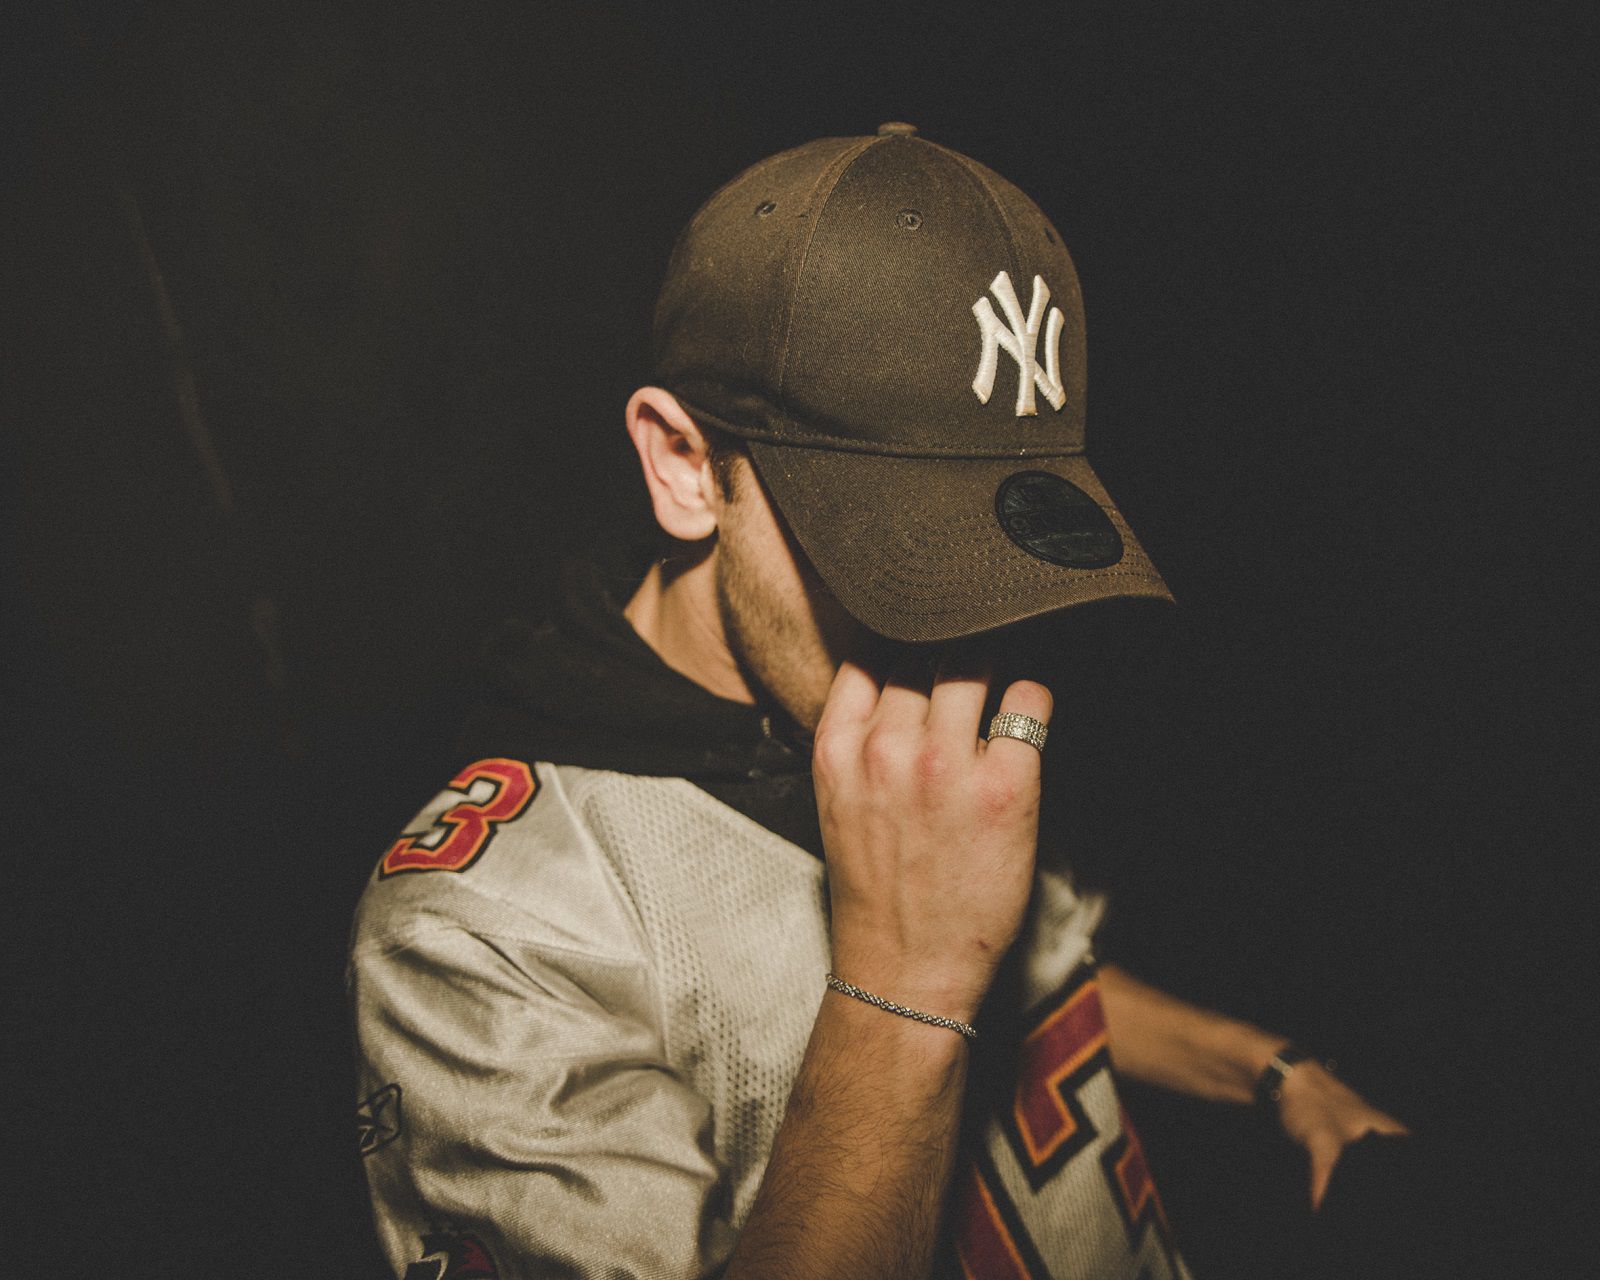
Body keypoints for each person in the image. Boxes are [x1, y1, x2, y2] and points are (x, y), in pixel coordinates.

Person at [349, 123, 1405, 1280]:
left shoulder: (917, 692)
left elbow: (1041, 974)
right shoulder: (490, 933)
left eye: (999, 543)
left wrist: (1268, 1068)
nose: (966, 631)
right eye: (892, 552)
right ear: (686, 464)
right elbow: (938, 968)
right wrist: (901, 992)